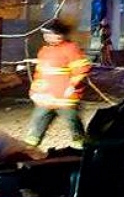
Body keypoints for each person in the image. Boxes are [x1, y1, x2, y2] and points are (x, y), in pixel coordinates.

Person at [27, 18, 91, 147]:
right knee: (37, 124)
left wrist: (72, 86)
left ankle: (81, 149)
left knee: (73, 124)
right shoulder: (44, 51)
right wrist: (34, 91)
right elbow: (39, 74)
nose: (47, 37)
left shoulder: (71, 49)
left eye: (50, 34)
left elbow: (81, 69)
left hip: (65, 99)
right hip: (46, 98)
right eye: (45, 34)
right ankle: (29, 149)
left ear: (59, 35)